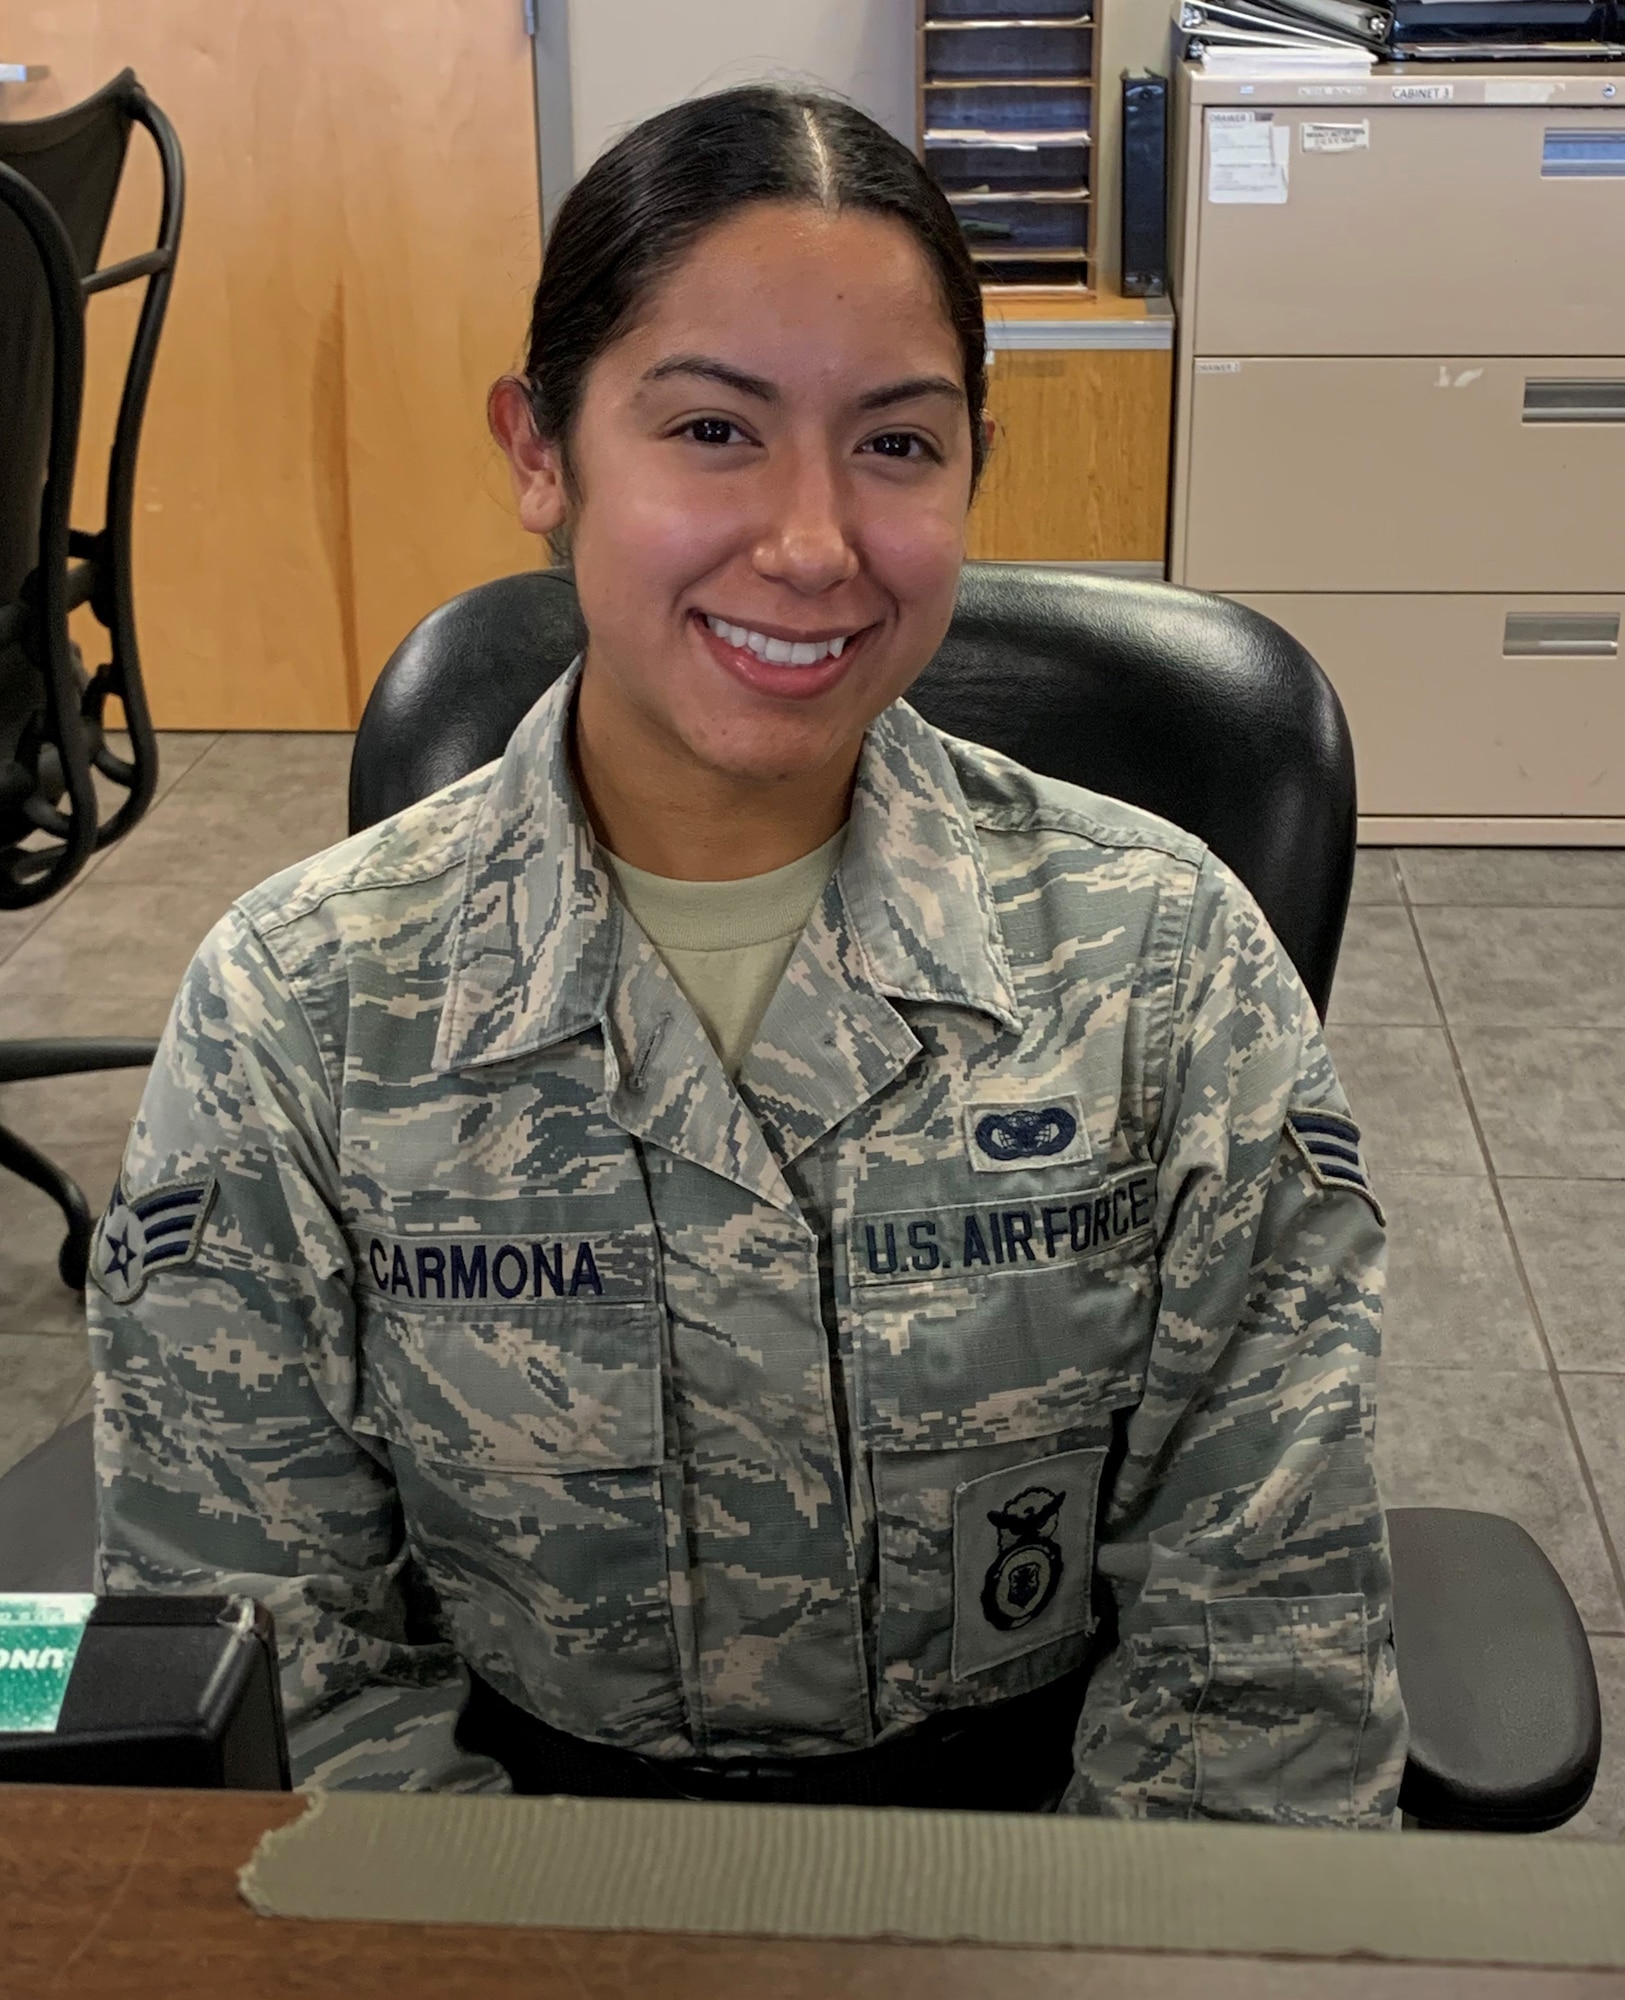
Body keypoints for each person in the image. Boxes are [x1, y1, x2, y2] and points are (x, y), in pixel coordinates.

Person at [87, 85, 1406, 1821]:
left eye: (898, 443)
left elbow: (1256, 1660)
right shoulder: (302, 1010)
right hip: (502, 1884)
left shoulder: (1162, 966)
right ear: (539, 452)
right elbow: (284, 1671)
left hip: (1050, 1874)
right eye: (711, 431)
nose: (811, 544)